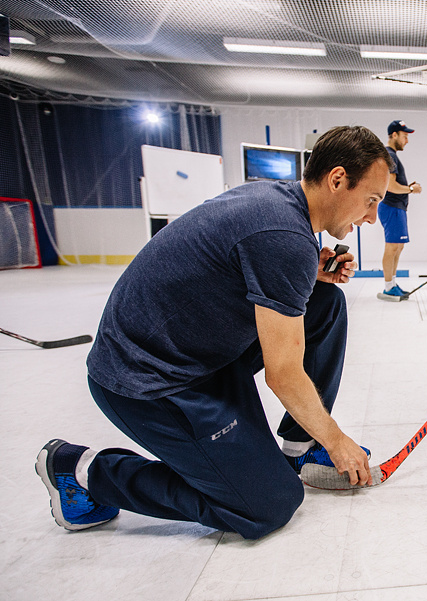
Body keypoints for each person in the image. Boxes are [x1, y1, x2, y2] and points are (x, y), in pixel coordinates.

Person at [36, 125, 391, 539]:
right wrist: (335, 439)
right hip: (147, 379)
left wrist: (305, 275)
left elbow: (243, 262)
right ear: (337, 179)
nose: (372, 217)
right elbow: (283, 374)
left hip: (194, 351)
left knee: (324, 302)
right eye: (371, 200)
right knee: (267, 505)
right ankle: (84, 472)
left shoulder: (279, 203)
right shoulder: (285, 238)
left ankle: (300, 448)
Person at [377, 119, 423, 301]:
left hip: (397, 207)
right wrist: (411, 189)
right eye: (404, 136)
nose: (407, 140)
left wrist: (408, 188)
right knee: (392, 247)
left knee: (398, 246)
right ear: (394, 135)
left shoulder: (391, 155)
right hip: (391, 206)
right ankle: (388, 287)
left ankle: (393, 284)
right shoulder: (390, 156)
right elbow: (390, 186)